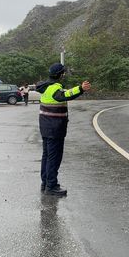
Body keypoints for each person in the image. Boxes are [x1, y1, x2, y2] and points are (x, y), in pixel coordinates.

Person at [36, 63, 91, 196]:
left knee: (47, 156)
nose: (64, 75)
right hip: (54, 129)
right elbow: (66, 94)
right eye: (63, 73)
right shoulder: (54, 88)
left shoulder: (45, 87)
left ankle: (45, 183)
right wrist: (81, 88)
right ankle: (51, 186)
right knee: (54, 158)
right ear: (60, 74)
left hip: (45, 127)